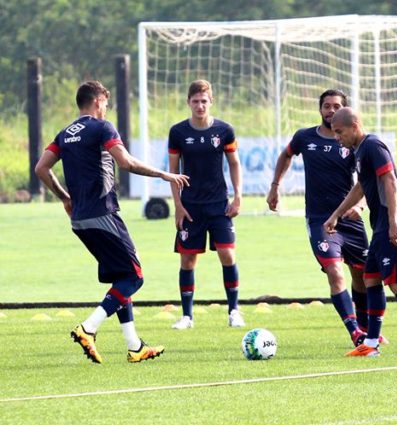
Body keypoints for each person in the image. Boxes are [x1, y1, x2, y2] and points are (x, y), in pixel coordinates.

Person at [35, 80, 190, 363]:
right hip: (103, 214)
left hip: (80, 219)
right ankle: (88, 327)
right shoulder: (102, 127)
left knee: (121, 278)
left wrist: (64, 197)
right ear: (97, 102)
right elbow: (126, 162)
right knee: (134, 277)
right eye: (105, 103)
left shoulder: (64, 133)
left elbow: (41, 168)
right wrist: (164, 175)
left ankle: (135, 346)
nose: (106, 108)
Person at [266, 89, 380, 346]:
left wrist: (360, 206)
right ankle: (354, 331)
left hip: (350, 219)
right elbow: (286, 155)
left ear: (344, 110)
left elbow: (366, 180)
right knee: (334, 270)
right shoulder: (305, 137)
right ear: (320, 109)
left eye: (336, 106)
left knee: (362, 275)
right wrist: (275, 186)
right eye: (326, 106)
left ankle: (366, 330)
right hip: (320, 219)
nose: (330, 110)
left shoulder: (352, 142)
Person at [325, 107, 397, 357]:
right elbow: (360, 188)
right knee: (371, 279)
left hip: (394, 222)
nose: (337, 137)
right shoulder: (360, 152)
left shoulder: (374, 146)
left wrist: (393, 221)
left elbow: (390, 181)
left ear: (355, 126)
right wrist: (336, 214)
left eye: (339, 132)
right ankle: (372, 344)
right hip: (382, 225)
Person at [167, 80, 244, 329]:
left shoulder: (224, 130)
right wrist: (178, 204)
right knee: (188, 260)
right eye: (195, 101)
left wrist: (238, 196)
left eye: (204, 101)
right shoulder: (178, 132)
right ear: (188, 102)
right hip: (190, 207)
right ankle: (187, 316)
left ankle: (234, 311)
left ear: (211, 102)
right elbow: (173, 171)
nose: (200, 105)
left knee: (227, 254)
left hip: (219, 205)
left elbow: (234, 163)